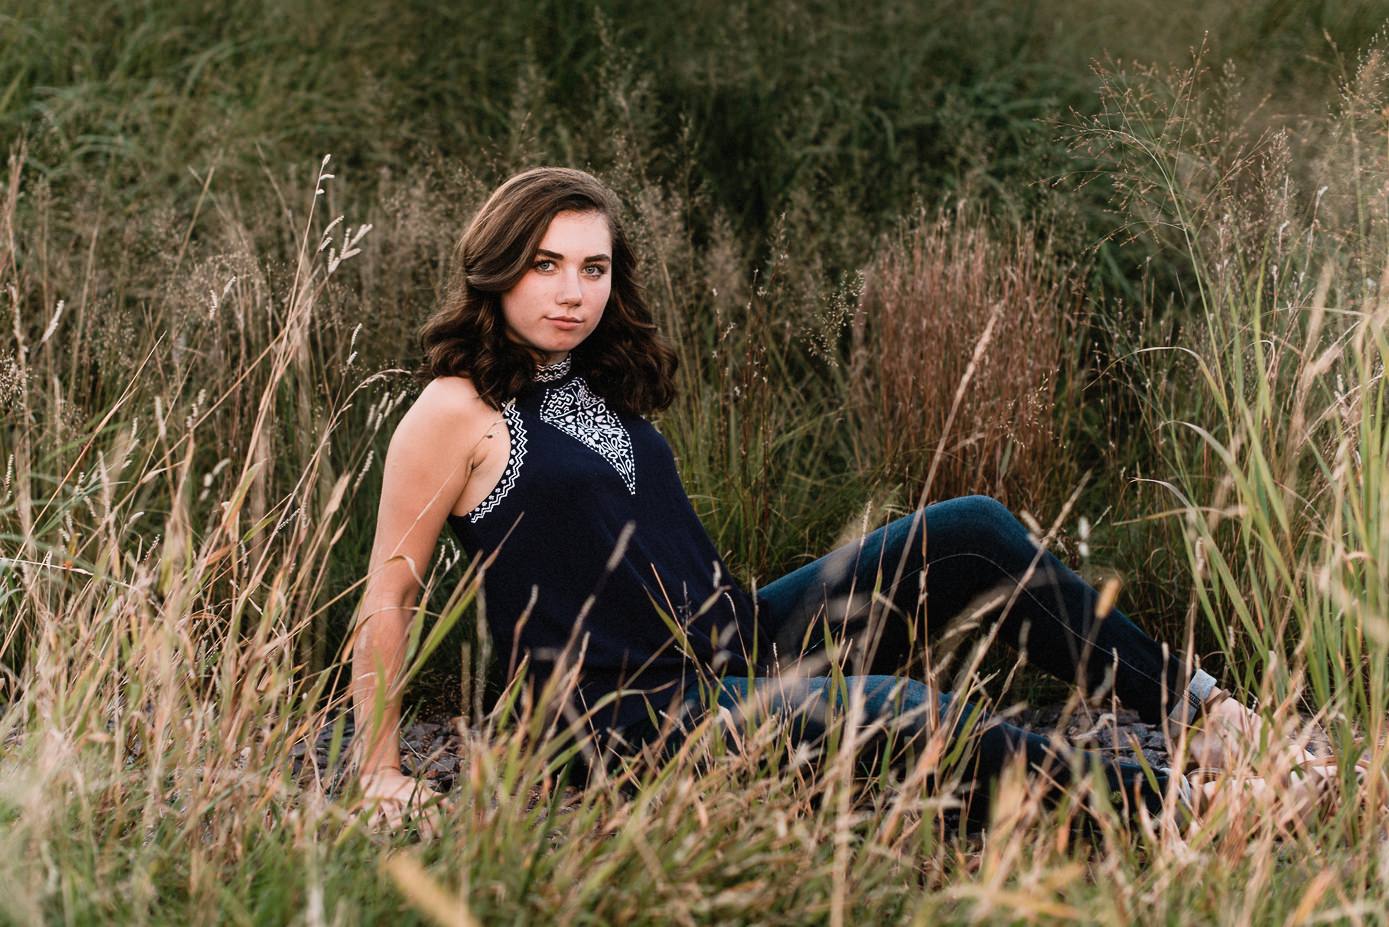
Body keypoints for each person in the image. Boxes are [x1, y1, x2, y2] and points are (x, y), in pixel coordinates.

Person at [348, 166, 1340, 837]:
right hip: (627, 723)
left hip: (739, 642)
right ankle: (1188, 805)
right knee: (905, 715)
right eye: (545, 266)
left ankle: (1204, 713)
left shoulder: (588, 379)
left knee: (975, 532)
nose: (571, 293)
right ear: (497, 266)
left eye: (593, 268)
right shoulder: (454, 411)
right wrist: (379, 773)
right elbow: (387, 598)